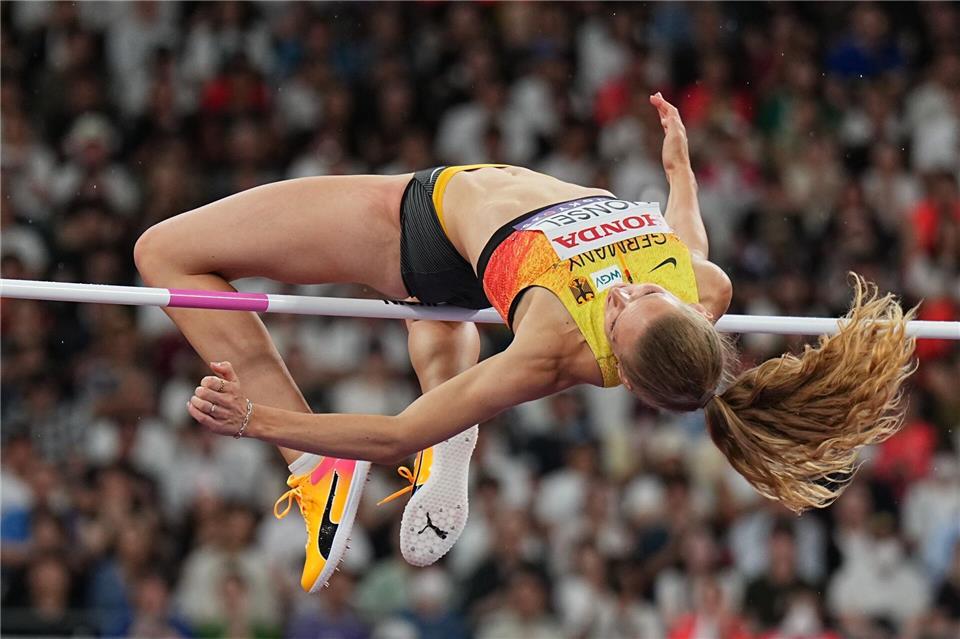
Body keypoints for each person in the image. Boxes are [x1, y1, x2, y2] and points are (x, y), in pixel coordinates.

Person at [134, 94, 917, 592]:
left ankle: (314, 472)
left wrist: (258, 423)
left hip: (421, 227)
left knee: (164, 252)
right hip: (470, 265)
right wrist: (680, 170)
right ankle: (454, 446)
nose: (623, 290)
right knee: (436, 327)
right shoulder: (701, 289)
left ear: (613, 357)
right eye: (646, 292)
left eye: (619, 312)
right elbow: (684, 240)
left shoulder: (548, 347)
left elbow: (400, 430)